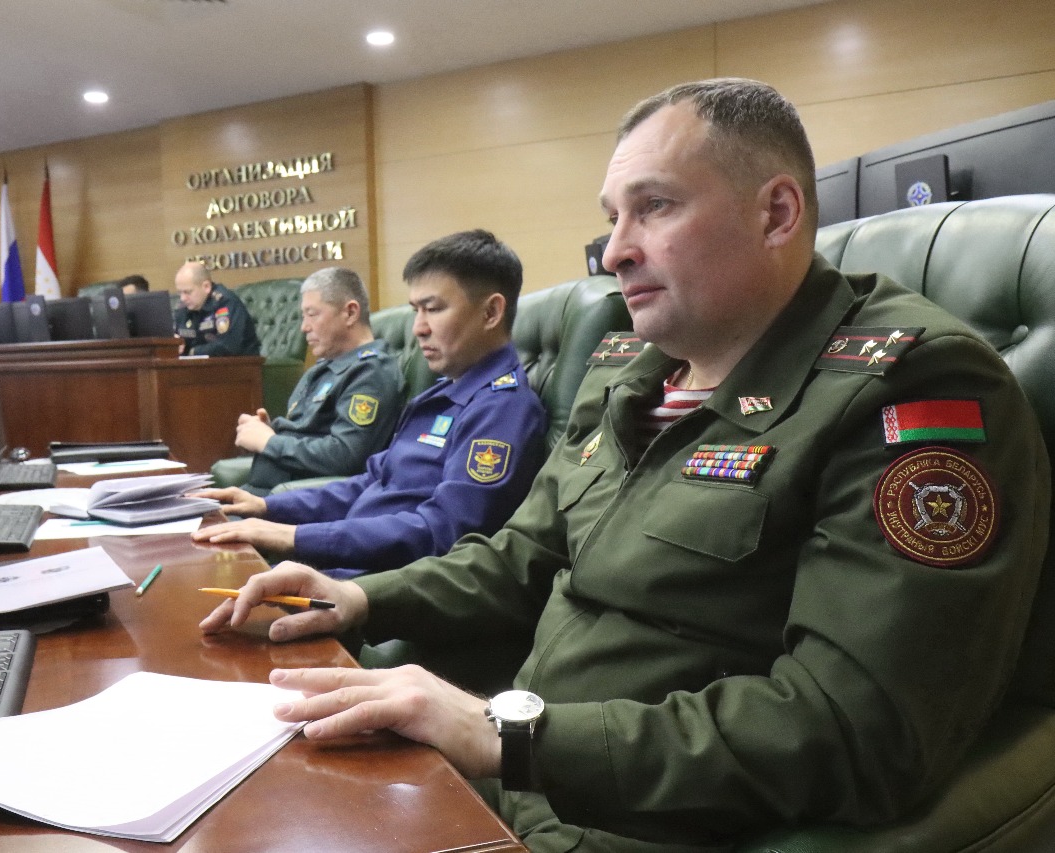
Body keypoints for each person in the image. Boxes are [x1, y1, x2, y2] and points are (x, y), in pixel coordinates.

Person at [200, 79, 1050, 850]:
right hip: (506, 771)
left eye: (655, 208)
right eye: (613, 217)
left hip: (638, 818)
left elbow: (857, 727)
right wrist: (359, 596)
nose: (614, 251)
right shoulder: (630, 373)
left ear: (777, 214)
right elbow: (522, 555)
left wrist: (506, 735)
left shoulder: (913, 385)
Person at [192, 229, 548, 579]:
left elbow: (444, 532)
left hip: (376, 585)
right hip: (342, 564)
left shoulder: (502, 410)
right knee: (200, 566)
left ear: (491, 313)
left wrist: (296, 537)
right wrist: (267, 506)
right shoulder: (441, 395)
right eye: (416, 311)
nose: (418, 328)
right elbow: (372, 481)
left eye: (433, 309)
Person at [216, 266, 404, 493]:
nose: (304, 327)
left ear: (350, 313)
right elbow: (310, 435)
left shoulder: (371, 372)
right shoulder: (324, 368)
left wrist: (270, 442)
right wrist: (270, 433)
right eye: (303, 316)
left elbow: (346, 455)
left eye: (312, 314)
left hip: (299, 499)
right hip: (268, 490)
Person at [173, 261, 260, 356]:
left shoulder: (225, 303)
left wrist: (191, 352)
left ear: (206, 287)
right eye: (180, 293)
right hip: (198, 363)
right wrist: (175, 344)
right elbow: (180, 338)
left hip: (239, 363)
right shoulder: (184, 308)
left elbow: (227, 346)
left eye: (187, 292)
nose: (183, 298)